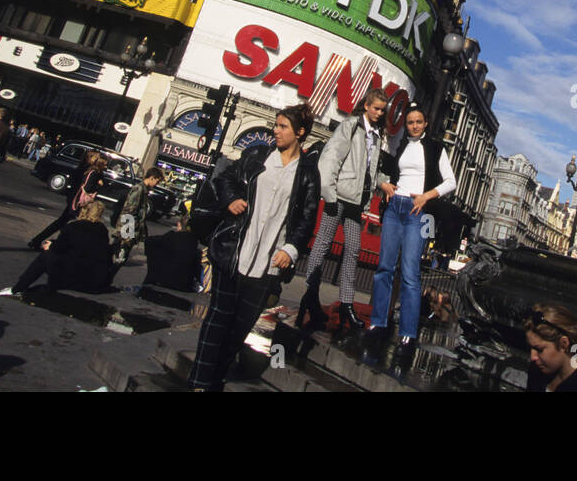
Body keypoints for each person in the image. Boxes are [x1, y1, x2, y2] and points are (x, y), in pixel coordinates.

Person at [187, 104, 320, 391]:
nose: (276, 130)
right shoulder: (257, 155)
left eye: (283, 126)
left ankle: (215, 382)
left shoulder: (308, 173)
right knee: (217, 321)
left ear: (300, 132)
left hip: (268, 263)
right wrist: (231, 199)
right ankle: (199, 383)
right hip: (233, 250)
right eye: (276, 124)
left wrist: (291, 249)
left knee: (239, 328)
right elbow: (225, 179)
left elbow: (307, 218)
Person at [366, 104, 457, 359]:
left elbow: (451, 182)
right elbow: (389, 172)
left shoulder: (437, 148)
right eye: (410, 122)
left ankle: (407, 334)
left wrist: (426, 196)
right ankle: (378, 324)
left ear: (425, 123)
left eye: (418, 122)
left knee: (410, 273)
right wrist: (385, 184)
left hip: (418, 211)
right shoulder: (402, 145)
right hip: (395, 206)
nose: (414, 126)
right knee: (384, 268)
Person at [298, 88, 391, 332]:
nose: (379, 113)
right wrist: (328, 193)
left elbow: (369, 170)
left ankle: (347, 304)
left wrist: (383, 182)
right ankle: (310, 294)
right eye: (375, 108)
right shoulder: (351, 125)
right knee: (322, 245)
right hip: (338, 196)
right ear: (367, 106)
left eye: (383, 109)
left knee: (353, 250)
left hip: (356, 201)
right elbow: (330, 158)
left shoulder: (377, 136)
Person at [0, 200, 113, 296]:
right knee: (59, 251)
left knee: (45, 256)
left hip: (76, 279)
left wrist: (51, 245)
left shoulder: (74, 227)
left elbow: (60, 247)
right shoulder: (102, 230)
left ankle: (17, 288)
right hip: (95, 281)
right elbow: (82, 247)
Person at [27, 150, 104, 249]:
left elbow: (74, 183)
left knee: (62, 223)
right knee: (77, 226)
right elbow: (88, 188)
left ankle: (39, 241)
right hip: (80, 202)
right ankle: (56, 245)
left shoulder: (82, 168)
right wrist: (98, 185)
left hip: (73, 199)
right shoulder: (92, 171)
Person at [524, 303, 577, 392]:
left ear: (563, 344)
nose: (533, 357)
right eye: (531, 348)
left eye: (540, 349)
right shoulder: (538, 370)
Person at [113, 166, 165, 264]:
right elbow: (129, 213)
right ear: (151, 178)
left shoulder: (144, 190)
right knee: (117, 261)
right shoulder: (139, 189)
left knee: (119, 261)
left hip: (129, 233)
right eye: (157, 182)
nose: (156, 185)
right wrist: (127, 236)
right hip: (125, 234)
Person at [143, 212, 202, 291]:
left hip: (161, 281)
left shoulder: (170, 237)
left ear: (179, 225)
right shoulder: (195, 244)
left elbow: (149, 242)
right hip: (183, 285)